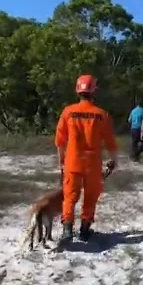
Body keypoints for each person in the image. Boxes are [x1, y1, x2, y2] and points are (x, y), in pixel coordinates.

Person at [54, 74, 118, 246]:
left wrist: (61, 161)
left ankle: (67, 229)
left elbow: (60, 141)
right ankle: (84, 229)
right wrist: (113, 160)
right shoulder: (101, 114)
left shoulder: (68, 112)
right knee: (90, 197)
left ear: (78, 90)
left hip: (72, 162)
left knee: (69, 196)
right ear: (94, 90)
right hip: (92, 164)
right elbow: (110, 142)